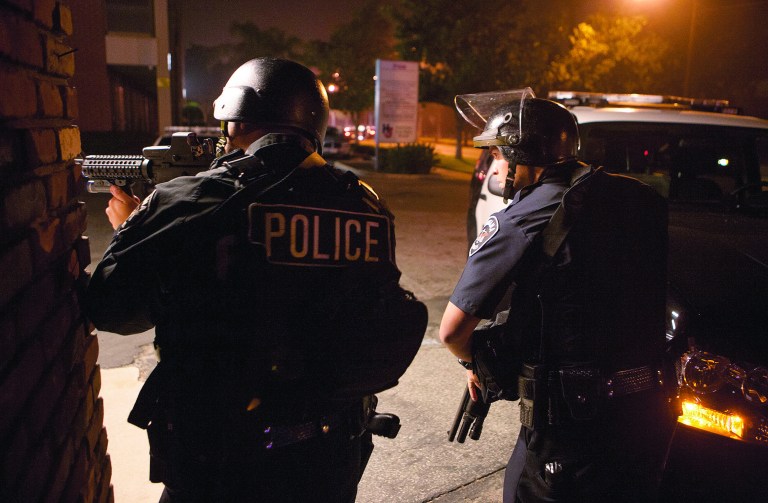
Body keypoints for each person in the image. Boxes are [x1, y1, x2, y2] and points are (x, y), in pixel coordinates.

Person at [87, 57, 417, 502]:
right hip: (330, 456)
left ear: (236, 119)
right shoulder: (366, 205)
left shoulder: (191, 199)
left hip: (221, 464)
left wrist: (131, 227)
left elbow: (112, 309)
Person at [440, 89, 674, 502]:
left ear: (518, 155)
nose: (492, 165)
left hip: (569, 430)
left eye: (495, 153)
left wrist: (472, 363)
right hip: (646, 417)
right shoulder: (634, 197)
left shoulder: (523, 216)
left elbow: (453, 331)